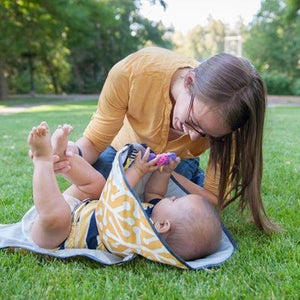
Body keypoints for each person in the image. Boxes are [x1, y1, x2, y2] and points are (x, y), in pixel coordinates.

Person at [54, 47, 277, 232]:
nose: (192, 136)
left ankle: (186, 177)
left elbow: (213, 199)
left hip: (174, 163)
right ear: (189, 81)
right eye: (192, 120)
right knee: (100, 187)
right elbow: (93, 143)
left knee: (188, 216)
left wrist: (166, 175)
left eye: (208, 135)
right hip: (124, 152)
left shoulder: (235, 120)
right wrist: (70, 153)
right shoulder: (132, 72)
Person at [28, 121, 222, 260]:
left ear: (163, 225)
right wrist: (165, 173)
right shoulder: (155, 214)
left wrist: (137, 170)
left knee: (58, 217)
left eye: (175, 201)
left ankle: (43, 161)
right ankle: (62, 157)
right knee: (97, 184)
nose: (172, 196)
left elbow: (118, 197)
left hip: (59, 235)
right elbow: (154, 194)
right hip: (80, 208)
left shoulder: (139, 237)